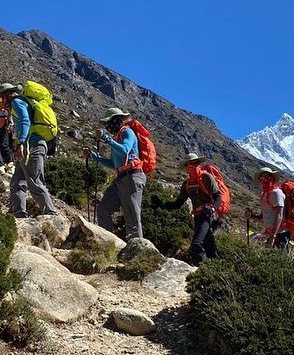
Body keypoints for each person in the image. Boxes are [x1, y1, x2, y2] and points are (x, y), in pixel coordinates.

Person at [152, 153, 223, 263]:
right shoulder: (187, 184)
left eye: (195, 163)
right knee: (208, 245)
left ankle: (201, 270)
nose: (193, 166)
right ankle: (217, 268)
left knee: (197, 243)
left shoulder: (206, 177)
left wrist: (213, 209)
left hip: (209, 216)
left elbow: (218, 196)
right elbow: (178, 204)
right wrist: (161, 204)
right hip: (198, 217)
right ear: (186, 167)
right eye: (190, 164)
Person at [89, 108, 146, 239]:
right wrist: (95, 157)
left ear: (116, 120)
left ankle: (137, 251)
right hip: (121, 178)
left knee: (132, 215)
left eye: (109, 122)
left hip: (132, 176)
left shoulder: (127, 132)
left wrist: (106, 139)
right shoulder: (117, 137)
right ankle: (108, 241)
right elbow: (113, 164)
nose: (107, 125)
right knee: (103, 209)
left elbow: (125, 150)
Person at [6, 84, 56, 217]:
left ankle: (51, 214)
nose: (1, 100)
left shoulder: (17, 101)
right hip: (32, 144)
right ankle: (18, 213)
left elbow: (25, 121)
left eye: (1, 97)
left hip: (31, 145)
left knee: (34, 180)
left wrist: (21, 142)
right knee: (17, 181)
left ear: (8, 94)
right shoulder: (25, 103)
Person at [244, 167, 287, 247]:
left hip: (280, 233)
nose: (265, 180)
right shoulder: (264, 194)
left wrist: (273, 237)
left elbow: (279, 216)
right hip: (270, 233)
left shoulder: (277, 193)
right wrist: (251, 216)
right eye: (262, 178)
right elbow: (262, 217)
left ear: (272, 178)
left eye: (268, 177)